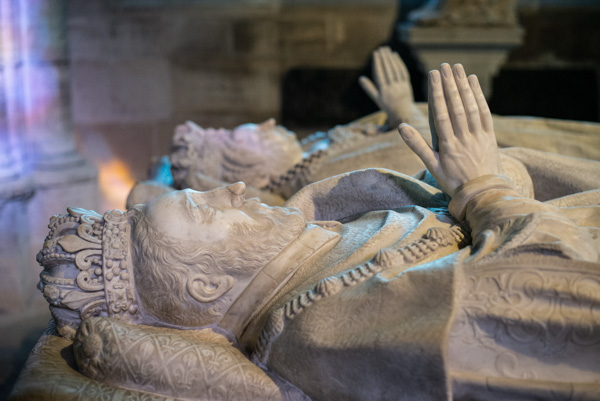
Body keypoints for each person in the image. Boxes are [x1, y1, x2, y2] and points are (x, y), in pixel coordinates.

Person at [37, 64, 600, 401]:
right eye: (209, 212)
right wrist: (483, 190)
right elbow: (550, 308)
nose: (234, 193)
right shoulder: (323, 328)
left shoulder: (319, 251)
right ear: (205, 289)